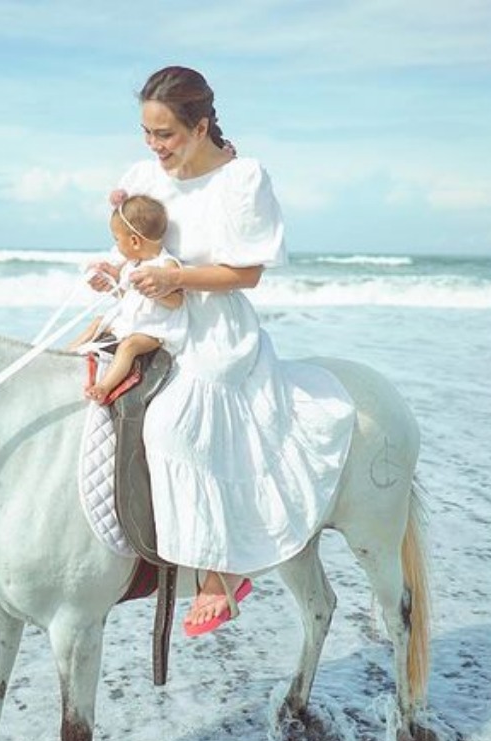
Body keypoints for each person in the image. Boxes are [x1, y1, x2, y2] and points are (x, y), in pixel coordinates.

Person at [91, 66, 356, 636]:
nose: (153, 146)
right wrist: (114, 271)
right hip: (150, 312)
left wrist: (177, 280)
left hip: (214, 329)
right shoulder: (143, 174)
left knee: (171, 426)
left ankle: (218, 573)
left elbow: (247, 273)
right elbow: (134, 245)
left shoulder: (243, 181)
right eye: (146, 132)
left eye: (164, 134)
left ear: (201, 125)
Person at [69, 194, 186, 404]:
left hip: (153, 330)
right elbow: (126, 295)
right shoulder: (132, 264)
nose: (116, 244)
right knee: (98, 322)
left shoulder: (167, 264)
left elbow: (177, 302)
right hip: (129, 321)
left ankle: (104, 387)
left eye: (116, 239)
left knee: (129, 346)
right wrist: (110, 282)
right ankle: (66, 354)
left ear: (134, 241)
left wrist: (156, 292)